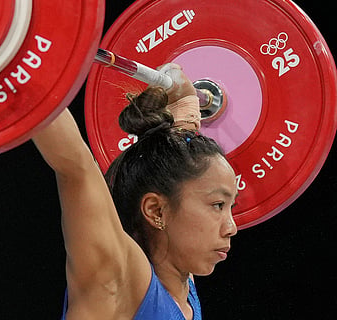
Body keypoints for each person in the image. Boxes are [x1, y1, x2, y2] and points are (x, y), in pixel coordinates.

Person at [32, 64, 238, 320]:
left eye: (231, 207)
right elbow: (76, 168)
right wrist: (25, 66)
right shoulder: (115, 280)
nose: (232, 227)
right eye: (218, 205)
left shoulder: (181, 283)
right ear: (156, 210)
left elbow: (179, 167)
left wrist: (185, 108)